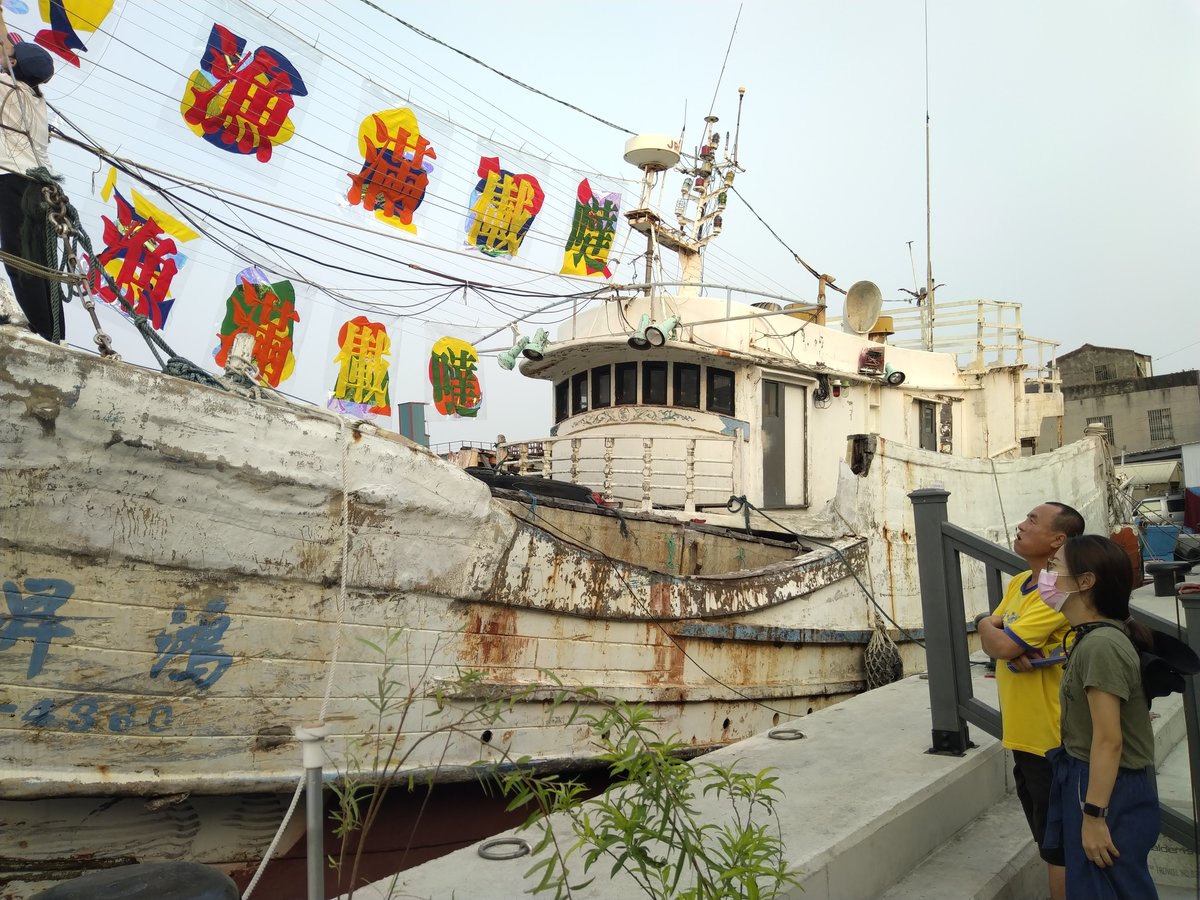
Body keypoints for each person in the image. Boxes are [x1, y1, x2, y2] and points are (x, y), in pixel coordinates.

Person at [978, 501, 1085, 900]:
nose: (1021, 525)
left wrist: (998, 634)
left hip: (1050, 739)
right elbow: (994, 634)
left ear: (1059, 539)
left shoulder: (1056, 590)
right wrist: (988, 627)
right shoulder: (1019, 582)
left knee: (1059, 847)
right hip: (1023, 737)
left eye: (1032, 521)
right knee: (1046, 839)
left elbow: (1002, 641)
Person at [1041, 534, 1159, 899]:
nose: (1045, 576)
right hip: (1092, 779)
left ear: (1085, 582)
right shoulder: (1090, 638)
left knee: (1112, 887)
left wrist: (1094, 816)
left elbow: (1109, 739)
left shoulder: (1101, 645)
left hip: (1107, 788)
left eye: (1054, 567)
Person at [0, 13, 60, 342]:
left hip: (13, 181)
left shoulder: (6, 88)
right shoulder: (38, 100)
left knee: (18, 258)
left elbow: (4, 51)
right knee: (41, 262)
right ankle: (54, 334)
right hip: (43, 188)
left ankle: (40, 332)